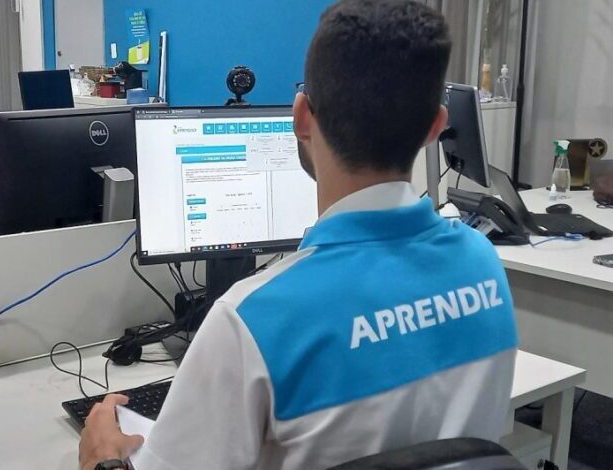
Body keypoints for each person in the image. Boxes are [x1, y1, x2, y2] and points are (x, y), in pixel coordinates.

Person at [79, 1, 519, 469]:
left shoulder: (251, 322)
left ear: (301, 117)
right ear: (436, 127)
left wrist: (102, 460)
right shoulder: (483, 264)